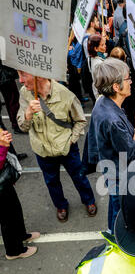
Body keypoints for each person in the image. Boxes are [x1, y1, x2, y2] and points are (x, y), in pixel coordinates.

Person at [16, 71, 97, 223]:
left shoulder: (65, 94)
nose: (20, 80)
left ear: (37, 75)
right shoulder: (25, 93)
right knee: (51, 181)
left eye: (23, 75)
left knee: (79, 176)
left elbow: (80, 121)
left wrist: (71, 141)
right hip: (42, 151)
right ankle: (61, 206)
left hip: (67, 149)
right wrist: (27, 114)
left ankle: (89, 200)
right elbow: (23, 126)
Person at [87, 58, 135, 233]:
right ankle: (116, 238)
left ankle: (111, 230)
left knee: (115, 204)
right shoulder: (112, 120)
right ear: (115, 87)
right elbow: (133, 153)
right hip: (121, 175)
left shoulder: (102, 103)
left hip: (110, 168)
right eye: (128, 79)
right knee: (122, 211)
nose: (131, 82)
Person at [0, 128, 40, 260]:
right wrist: (3, 146)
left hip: (4, 182)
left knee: (15, 208)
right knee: (7, 217)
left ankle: (21, 235)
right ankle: (14, 251)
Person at [87, 33, 107, 100]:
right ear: (96, 48)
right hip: (102, 95)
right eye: (102, 45)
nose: (105, 46)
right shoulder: (99, 64)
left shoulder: (91, 57)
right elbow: (102, 84)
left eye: (104, 44)